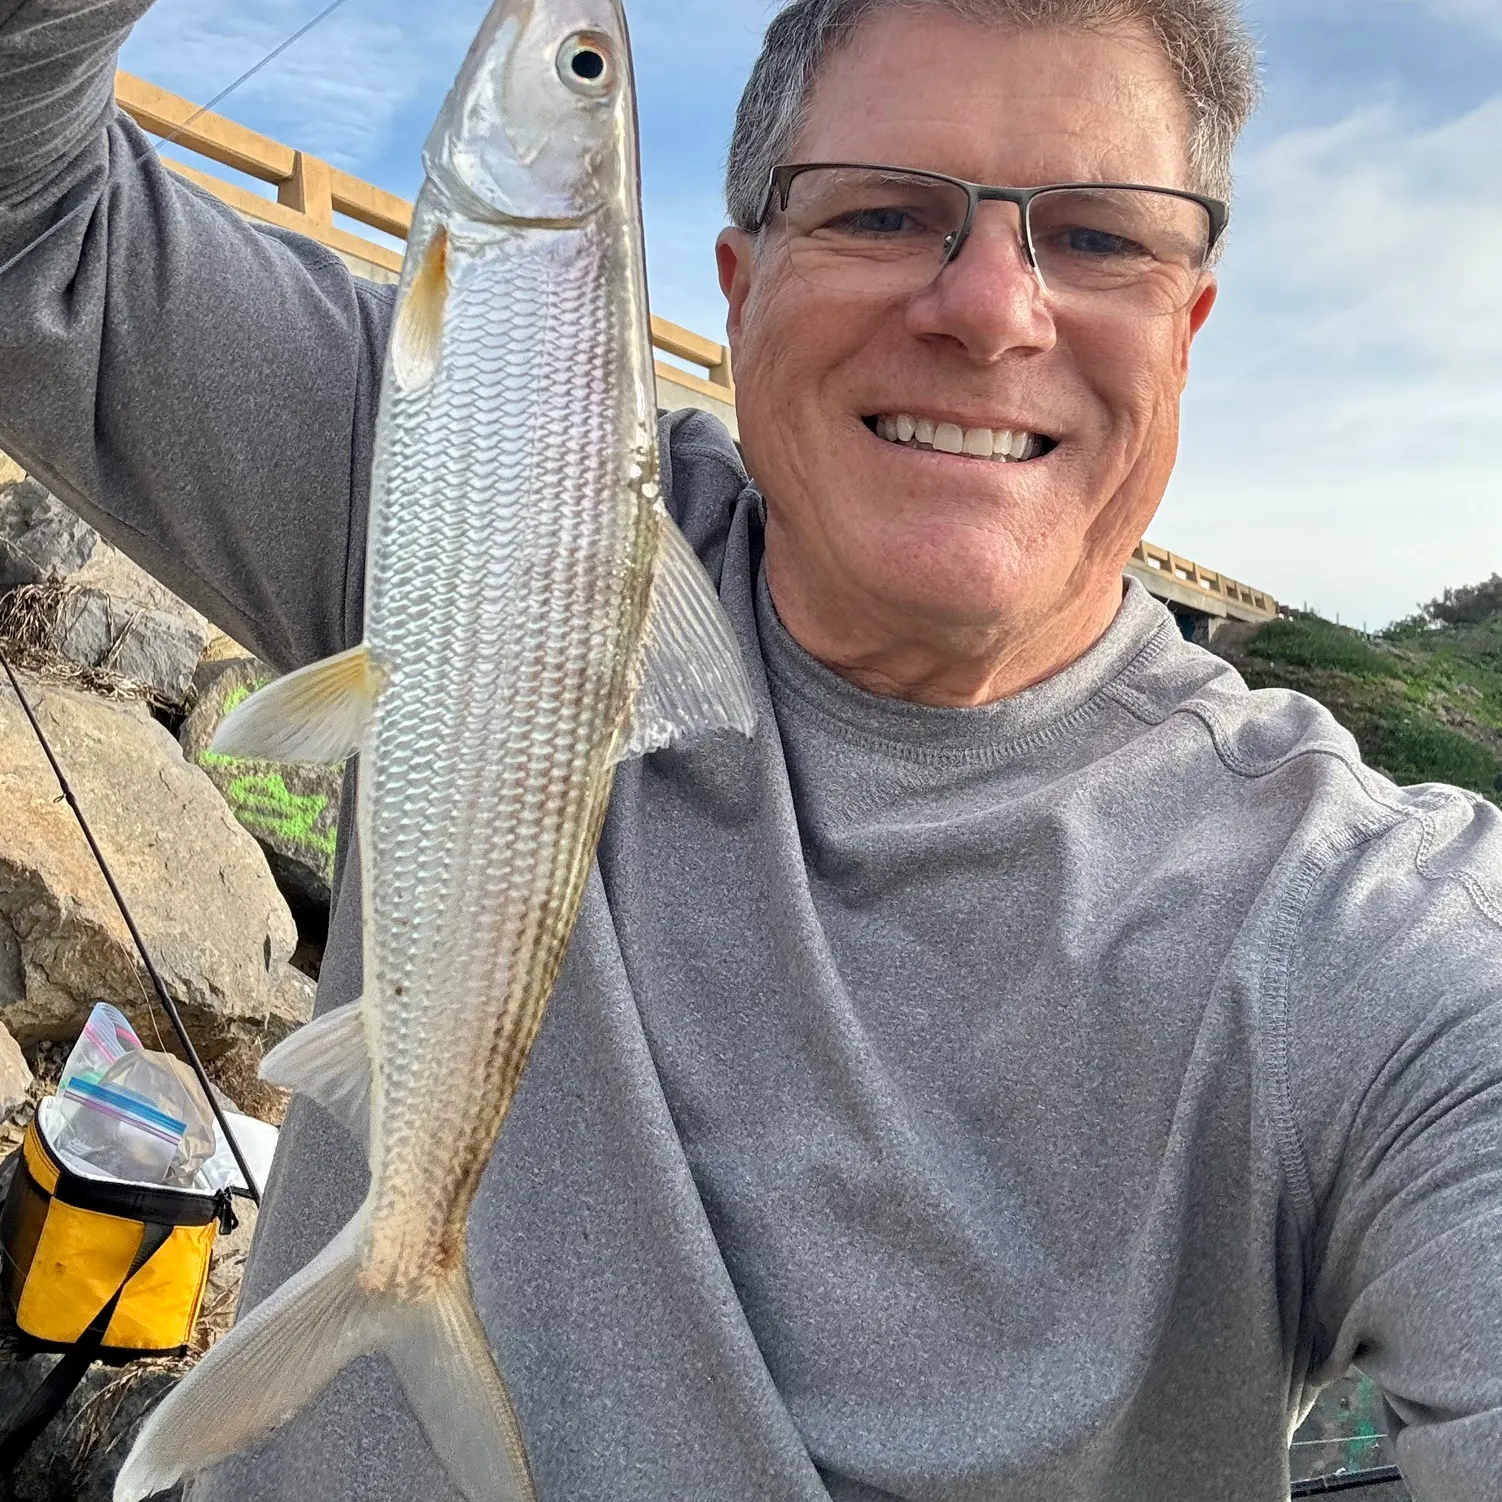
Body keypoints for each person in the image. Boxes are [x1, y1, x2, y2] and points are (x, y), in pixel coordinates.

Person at [2, 0, 1500, 1498]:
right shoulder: (458, 497)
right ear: (738, 285)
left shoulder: (1374, 937)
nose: (988, 309)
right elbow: (28, 209)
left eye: (1099, 237)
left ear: (1186, 324)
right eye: (883, 211)